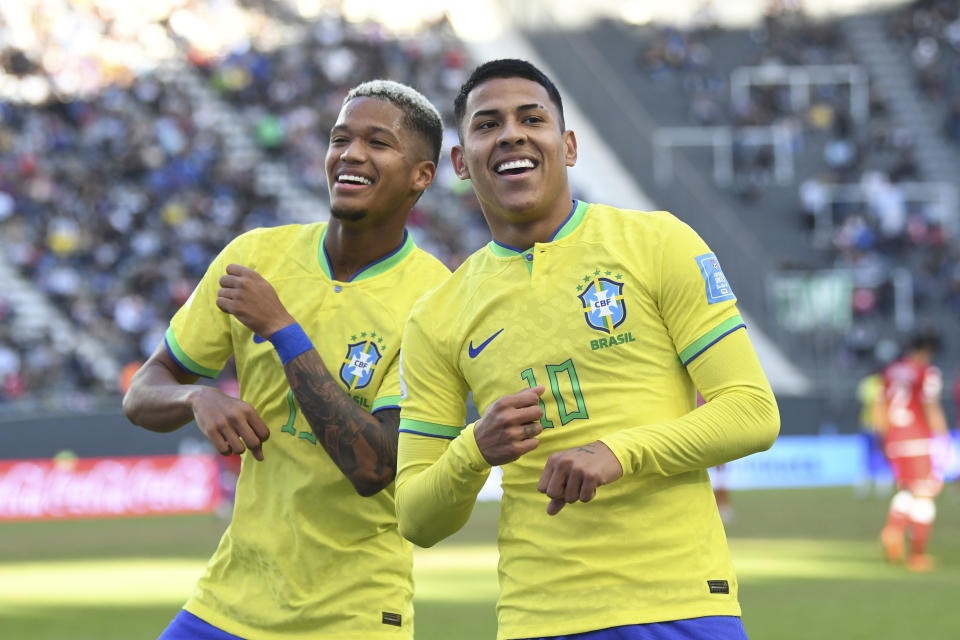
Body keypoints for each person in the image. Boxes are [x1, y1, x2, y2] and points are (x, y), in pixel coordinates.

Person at [394, 59, 780, 640]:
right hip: (538, 617)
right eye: (487, 124)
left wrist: (617, 452)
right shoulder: (435, 316)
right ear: (460, 164)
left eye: (532, 118)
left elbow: (752, 411)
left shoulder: (658, 243)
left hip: (678, 605)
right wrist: (475, 447)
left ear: (568, 146)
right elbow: (416, 518)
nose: (511, 135)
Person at [122, 79, 450, 639]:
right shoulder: (255, 256)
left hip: (349, 615)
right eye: (339, 138)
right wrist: (195, 395)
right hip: (227, 601)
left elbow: (374, 466)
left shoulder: (437, 299)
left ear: (421, 176)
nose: (351, 154)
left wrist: (282, 329)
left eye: (378, 142)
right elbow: (143, 392)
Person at [875, 330, 949, 572]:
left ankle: (893, 530)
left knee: (908, 489)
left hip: (895, 439)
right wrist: (943, 437)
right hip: (917, 439)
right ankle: (917, 555)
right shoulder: (926, 373)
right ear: (927, 351)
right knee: (926, 495)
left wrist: (883, 440)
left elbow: (879, 408)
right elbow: (930, 406)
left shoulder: (889, 372)